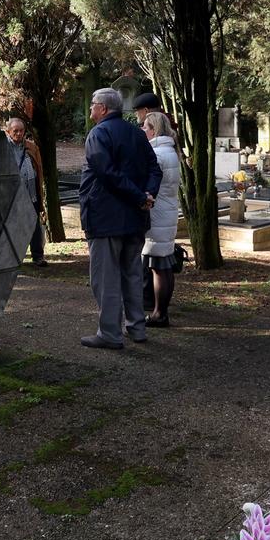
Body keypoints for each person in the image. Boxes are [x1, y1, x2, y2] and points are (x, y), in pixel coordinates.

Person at [78, 87, 161, 350]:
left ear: (103, 108)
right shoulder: (137, 133)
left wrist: (140, 196)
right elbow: (154, 169)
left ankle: (110, 333)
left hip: (106, 217)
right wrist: (147, 195)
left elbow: (107, 173)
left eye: (93, 103)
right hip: (134, 218)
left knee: (106, 279)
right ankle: (136, 328)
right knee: (132, 274)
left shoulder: (98, 134)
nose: (90, 108)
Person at [142, 112, 183, 327]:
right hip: (167, 213)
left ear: (154, 130)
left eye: (145, 127)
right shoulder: (170, 151)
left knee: (158, 266)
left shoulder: (157, 153)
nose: (143, 130)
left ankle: (159, 313)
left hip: (157, 215)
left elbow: (149, 184)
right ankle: (162, 311)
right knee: (164, 265)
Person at [5, 117, 48, 266]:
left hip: (31, 193)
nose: (19, 133)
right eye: (15, 131)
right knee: (13, 225)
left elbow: (39, 169)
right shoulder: (3, 147)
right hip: (11, 195)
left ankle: (38, 256)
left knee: (34, 225)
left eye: (21, 130)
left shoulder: (31, 147)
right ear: (8, 132)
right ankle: (13, 257)